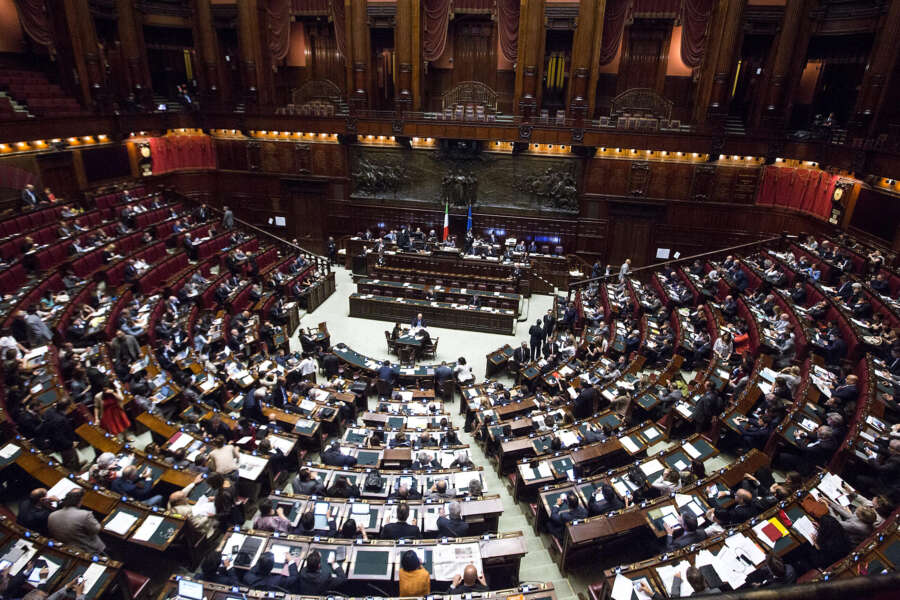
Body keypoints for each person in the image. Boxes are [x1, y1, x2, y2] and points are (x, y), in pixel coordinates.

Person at [47, 489, 105, 554]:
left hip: (63, 549)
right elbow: (96, 529)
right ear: (79, 501)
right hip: (88, 550)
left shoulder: (51, 515)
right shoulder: (85, 515)